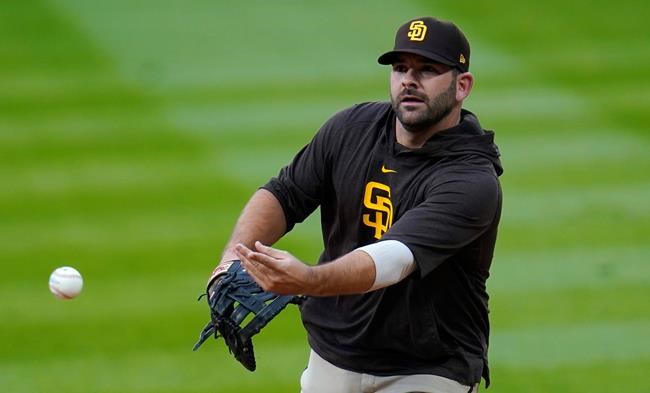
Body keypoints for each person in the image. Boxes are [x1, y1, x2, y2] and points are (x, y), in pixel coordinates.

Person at [208, 16, 503, 393]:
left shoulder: (470, 179)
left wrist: (308, 280)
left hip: (427, 367)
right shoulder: (351, 129)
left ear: (463, 85)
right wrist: (232, 256)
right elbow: (285, 193)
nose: (409, 80)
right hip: (334, 353)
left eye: (428, 70)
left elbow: (394, 259)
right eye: (400, 69)